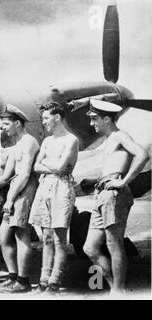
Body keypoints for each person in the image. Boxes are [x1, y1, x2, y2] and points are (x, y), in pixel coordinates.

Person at [82, 100, 149, 295]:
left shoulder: (120, 135)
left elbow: (142, 154)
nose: (92, 123)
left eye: (95, 119)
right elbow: (113, 166)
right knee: (90, 248)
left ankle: (118, 292)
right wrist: (93, 180)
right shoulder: (109, 140)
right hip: (102, 193)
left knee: (114, 243)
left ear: (106, 119)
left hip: (114, 194)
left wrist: (123, 181)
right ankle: (116, 289)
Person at [0, 105, 40, 292]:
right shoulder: (15, 146)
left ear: (17, 123)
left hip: (24, 191)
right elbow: (4, 177)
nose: (3, 129)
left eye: (6, 124)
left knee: (21, 234)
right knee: (2, 235)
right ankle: (13, 277)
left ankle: (23, 281)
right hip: (14, 191)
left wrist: (10, 199)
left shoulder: (28, 141)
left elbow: (25, 174)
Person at [29, 102, 79, 294]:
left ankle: (55, 283)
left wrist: (48, 164)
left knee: (59, 239)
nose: (44, 122)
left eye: (46, 118)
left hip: (62, 187)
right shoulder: (47, 141)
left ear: (57, 117)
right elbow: (36, 167)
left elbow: (60, 168)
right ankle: (43, 281)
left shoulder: (71, 140)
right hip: (45, 186)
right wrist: (53, 165)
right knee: (46, 238)